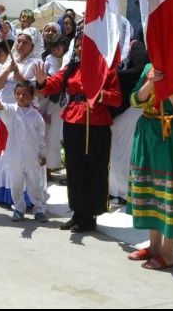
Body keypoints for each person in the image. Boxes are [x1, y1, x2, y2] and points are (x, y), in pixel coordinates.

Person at [35, 32, 121, 233]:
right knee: (74, 169)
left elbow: (116, 98)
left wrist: (99, 94)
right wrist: (41, 81)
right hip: (73, 120)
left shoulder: (106, 69)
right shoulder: (71, 68)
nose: (80, 49)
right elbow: (52, 85)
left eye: (84, 45)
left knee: (94, 169)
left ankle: (89, 215)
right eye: (78, 46)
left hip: (96, 123)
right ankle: (77, 212)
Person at [126, 65, 173, 269]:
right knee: (152, 190)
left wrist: (169, 89)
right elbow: (134, 100)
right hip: (148, 135)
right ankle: (154, 246)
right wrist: (150, 82)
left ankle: (168, 253)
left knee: (172, 193)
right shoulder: (149, 69)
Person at [0, 31, 41, 205]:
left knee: (20, 153)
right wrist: (8, 70)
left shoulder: (36, 63)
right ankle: (3, 192)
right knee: (4, 152)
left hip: (22, 114)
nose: (20, 45)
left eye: (25, 43)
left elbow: (36, 90)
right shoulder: (10, 60)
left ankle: (23, 196)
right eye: (19, 41)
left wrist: (18, 76)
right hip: (5, 112)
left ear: (33, 46)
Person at [0, 81, 47, 222]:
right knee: (16, 184)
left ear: (31, 96)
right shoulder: (12, 111)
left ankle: (39, 209)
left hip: (32, 157)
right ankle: (19, 208)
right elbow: (4, 109)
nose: (21, 97)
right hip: (14, 156)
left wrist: (42, 154)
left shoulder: (36, 116)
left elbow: (41, 137)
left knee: (34, 184)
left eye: (24, 94)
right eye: (18, 94)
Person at [107, 25, 149, 204]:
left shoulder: (134, 46)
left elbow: (140, 70)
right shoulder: (108, 48)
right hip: (111, 106)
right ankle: (112, 189)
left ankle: (124, 192)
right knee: (112, 151)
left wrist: (112, 76)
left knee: (123, 151)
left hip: (129, 106)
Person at [39, 36, 68, 177]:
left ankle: (54, 165)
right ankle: (45, 168)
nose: (56, 49)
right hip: (49, 101)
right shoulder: (48, 60)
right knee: (47, 134)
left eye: (59, 46)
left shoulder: (67, 60)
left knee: (55, 135)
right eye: (53, 47)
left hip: (62, 102)